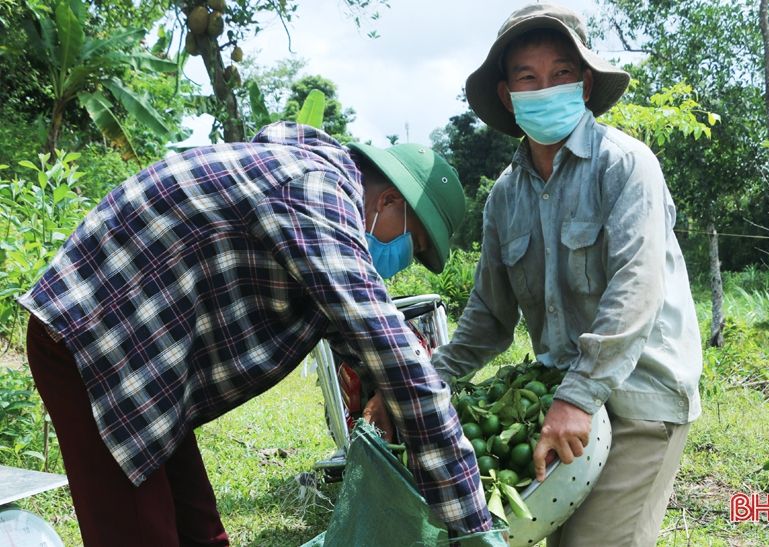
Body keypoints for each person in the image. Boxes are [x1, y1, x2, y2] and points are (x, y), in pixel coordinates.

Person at [18, 121, 495, 545]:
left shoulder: (316, 191)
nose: (404, 259)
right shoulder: (315, 192)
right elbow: (392, 354)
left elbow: (363, 337)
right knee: (138, 531)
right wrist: (473, 526)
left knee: (201, 532)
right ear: (388, 201)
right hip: (91, 337)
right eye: (414, 244)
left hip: (149, 357)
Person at [430, 4, 703, 546]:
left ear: (584, 82)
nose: (545, 87)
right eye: (528, 77)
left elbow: (636, 287)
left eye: (561, 73)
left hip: (638, 400)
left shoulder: (626, 165)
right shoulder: (505, 198)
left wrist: (577, 398)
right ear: (508, 96)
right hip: (563, 407)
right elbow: (488, 317)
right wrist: (423, 385)